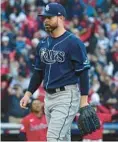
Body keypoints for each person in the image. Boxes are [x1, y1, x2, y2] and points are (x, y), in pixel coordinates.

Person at [20, 2, 100, 141]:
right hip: (48, 97)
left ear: (61, 18)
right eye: (44, 17)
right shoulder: (43, 44)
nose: (45, 20)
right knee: (62, 139)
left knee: (53, 138)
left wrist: (84, 101)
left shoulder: (74, 42)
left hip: (66, 96)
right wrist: (28, 94)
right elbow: (38, 72)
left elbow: (83, 72)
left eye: (49, 17)